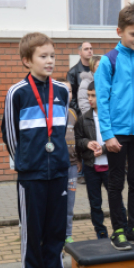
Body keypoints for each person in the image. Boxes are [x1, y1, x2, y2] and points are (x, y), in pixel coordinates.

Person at [1, 32, 70, 268]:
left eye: (52, 55)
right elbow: (10, 134)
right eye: (43, 56)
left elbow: (62, 129)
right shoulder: (17, 92)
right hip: (31, 175)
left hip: (59, 173)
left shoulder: (62, 91)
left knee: (56, 232)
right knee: (33, 233)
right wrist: (25, 161)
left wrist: (58, 158)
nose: (50, 61)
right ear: (26, 61)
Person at [95, 2, 134, 251]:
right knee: (115, 183)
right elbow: (102, 99)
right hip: (117, 133)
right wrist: (108, 134)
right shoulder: (108, 61)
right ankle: (118, 230)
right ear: (119, 31)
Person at [75, 81, 127, 238]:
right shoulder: (84, 119)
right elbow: (78, 140)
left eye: (94, 96)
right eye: (88, 96)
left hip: (111, 166)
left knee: (116, 200)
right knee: (95, 203)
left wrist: (103, 149)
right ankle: (101, 232)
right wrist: (87, 143)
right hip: (91, 167)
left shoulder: (115, 116)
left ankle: (122, 229)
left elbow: (122, 140)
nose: (90, 99)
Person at [56, 78, 81, 244]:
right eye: (64, 90)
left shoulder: (73, 113)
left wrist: (79, 159)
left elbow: (78, 138)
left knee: (69, 204)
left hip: (72, 166)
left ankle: (68, 234)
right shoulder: (52, 113)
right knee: (55, 203)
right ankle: (54, 235)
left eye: (70, 90)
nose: (68, 93)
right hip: (57, 166)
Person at [67, 42, 93, 114]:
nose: (89, 51)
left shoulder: (97, 69)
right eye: (86, 49)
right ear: (79, 52)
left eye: (91, 48)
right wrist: (81, 112)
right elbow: (71, 98)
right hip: (82, 114)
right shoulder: (73, 72)